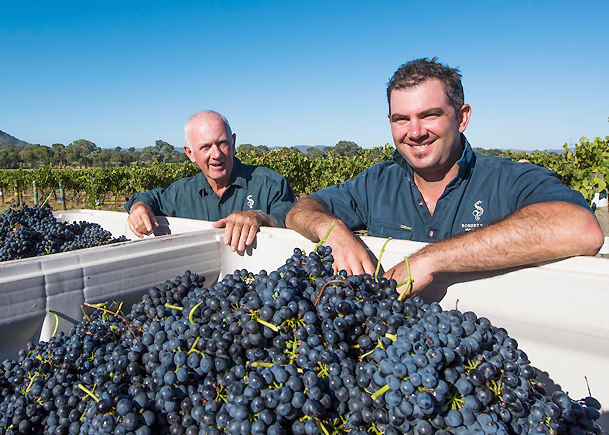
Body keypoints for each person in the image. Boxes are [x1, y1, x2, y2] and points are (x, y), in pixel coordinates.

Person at [286, 58, 604, 294]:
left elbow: (581, 229)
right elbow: (300, 211)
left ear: (462, 118)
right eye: (401, 119)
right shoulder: (376, 183)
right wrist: (335, 232)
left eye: (430, 115)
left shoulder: (506, 180)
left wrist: (429, 260)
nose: (415, 132)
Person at [125, 110, 296, 252]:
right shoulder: (181, 192)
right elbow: (151, 198)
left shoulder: (270, 184)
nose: (216, 155)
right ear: (190, 153)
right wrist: (139, 207)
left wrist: (260, 218)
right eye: (206, 147)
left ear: (234, 143)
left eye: (222, 143)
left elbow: (292, 223)